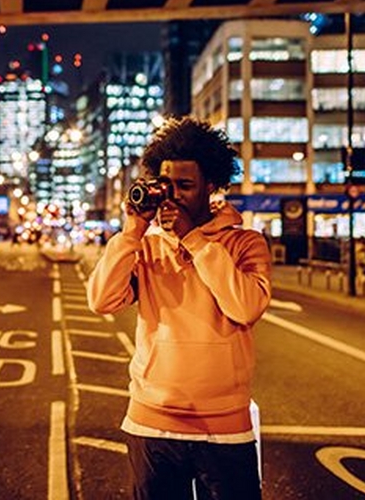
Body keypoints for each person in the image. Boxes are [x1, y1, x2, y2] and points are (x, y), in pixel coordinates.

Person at [87, 116, 272, 500]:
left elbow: (245, 307)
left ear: (212, 187)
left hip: (224, 427)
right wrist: (133, 231)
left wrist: (194, 240)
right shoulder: (148, 247)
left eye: (185, 187)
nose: (172, 197)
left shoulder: (245, 244)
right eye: (165, 186)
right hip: (151, 423)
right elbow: (101, 300)